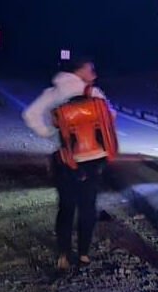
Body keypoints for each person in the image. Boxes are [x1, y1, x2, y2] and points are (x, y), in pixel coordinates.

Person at [23, 55, 115, 270]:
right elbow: (112, 116)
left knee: (66, 206)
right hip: (92, 160)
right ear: (79, 71)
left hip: (64, 158)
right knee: (88, 207)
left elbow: (29, 115)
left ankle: (63, 255)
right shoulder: (94, 93)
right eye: (90, 69)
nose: (94, 74)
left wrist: (48, 132)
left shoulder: (53, 93)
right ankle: (83, 254)